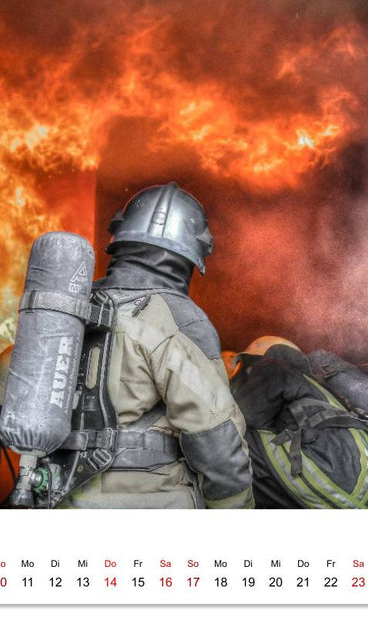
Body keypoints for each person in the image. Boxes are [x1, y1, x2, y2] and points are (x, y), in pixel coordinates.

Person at [54, 182, 254, 509]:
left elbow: (3, 395)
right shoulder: (179, 318)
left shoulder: (69, 309)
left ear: (120, 240)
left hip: (58, 497)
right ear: (191, 254)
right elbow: (216, 441)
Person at [230, 336, 368, 509]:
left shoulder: (271, 367)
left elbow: (241, 418)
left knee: (229, 439)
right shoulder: (317, 388)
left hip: (343, 485)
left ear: (253, 361)